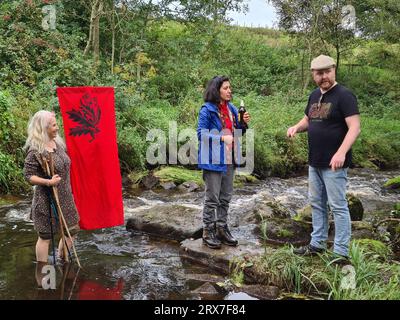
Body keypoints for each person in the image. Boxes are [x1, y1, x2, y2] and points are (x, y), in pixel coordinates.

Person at [287, 55, 361, 263]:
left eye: (327, 71)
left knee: (338, 206)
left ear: (334, 70)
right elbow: (308, 120)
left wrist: (341, 152)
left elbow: (354, 127)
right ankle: (317, 244)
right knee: (317, 203)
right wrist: (296, 127)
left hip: (334, 164)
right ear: (313, 75)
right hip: (315, 161)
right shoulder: (314, 95)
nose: (324, 77)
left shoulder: (344, 95)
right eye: (319, 73)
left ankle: (340, 252)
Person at [197, 76, 250, 249]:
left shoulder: (232, 108)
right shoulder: (207, 109)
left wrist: (244, 124)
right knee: (212, 198)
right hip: (212, 159)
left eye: (230, 88)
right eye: (226, 88)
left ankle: (221, 228)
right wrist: (221, 138)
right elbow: (201, 135)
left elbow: (238, 133)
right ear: (216, 90)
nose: (230, 91)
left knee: (225, 197)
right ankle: (207, 231)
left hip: (230, 159)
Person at [23, 110, 80, 263]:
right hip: (46, 200)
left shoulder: (58, 143)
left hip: (66, 198)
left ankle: (62, 258)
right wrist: (48, 182)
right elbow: (28, 176)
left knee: (72, 230)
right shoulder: (35, 150)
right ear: (44, 128)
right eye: (54, 125)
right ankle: (42, 270)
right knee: (46, 237)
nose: (57, 128)